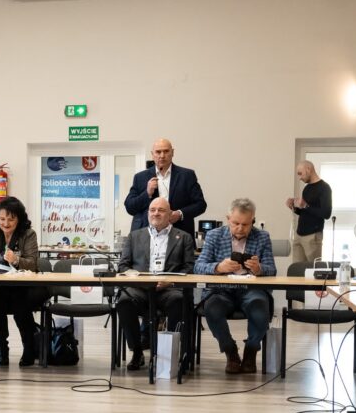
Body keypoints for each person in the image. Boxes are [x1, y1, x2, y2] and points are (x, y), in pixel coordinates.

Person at [193, 198, 276, 374]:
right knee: (212, 309)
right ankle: (230, 351)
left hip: (251, 290)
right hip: (221, 289)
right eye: (236, 223)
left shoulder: (262, 237)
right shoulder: (214, 235)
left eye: (245, 224)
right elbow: (198, 266)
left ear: (253, 220)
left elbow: (272, 270)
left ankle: (251, 351)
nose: (240, 228)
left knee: (261, 308)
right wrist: (218, 267)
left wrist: (259, 269)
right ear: (228, 218)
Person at [116, 197, 195, 371]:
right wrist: (138, 278)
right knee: (124, 302)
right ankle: (137, 351)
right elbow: (123, 266)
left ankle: (168, 353)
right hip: (141, 288)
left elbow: (189, 268)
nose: (156, 213)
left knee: (179, 301)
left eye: (161, 210)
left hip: (169, 289)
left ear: (170, 214)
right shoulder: (135, 236)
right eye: (152, 210)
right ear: (148, 213)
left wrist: (170, 281)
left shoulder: (184, 237)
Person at [0, 197, 48, 367]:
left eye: (11, 219)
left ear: (19, 219)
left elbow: (33, 264)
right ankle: (3, 347)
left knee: (20, 303)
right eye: (2, 219)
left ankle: (28, 348)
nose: (6, 223)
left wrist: (16, 259)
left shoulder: (28, 234)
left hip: (23, 286)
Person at [124, 138, 207, 236]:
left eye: (166, 151)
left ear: (172, 152)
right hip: (147, 236)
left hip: (179, 235)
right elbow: (130, 207)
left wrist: (180, 214)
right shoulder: (140, 177)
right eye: (158, 152)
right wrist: (147, 193)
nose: (162, 155)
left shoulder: (187, 175)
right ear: (152, 154)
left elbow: (201, 204)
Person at [285, 161, 332, 263]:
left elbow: (326, 213)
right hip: (299, 235)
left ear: (308, 169)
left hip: (313, 236)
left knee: (313, 268)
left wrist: (305, 205)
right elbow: (306, 212)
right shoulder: (307, 188)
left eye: (300, 173)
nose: (299, 178)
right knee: (297, 269)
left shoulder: (324, 188)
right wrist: (294, 207)